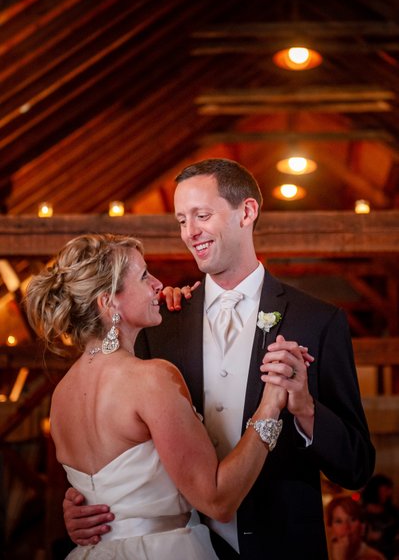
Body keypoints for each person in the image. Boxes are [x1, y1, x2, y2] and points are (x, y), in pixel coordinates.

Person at [63, 159, 375, 559]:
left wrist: (306, 409)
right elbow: (121, 439)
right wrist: (86, 502)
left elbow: (357, 468)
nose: (189, 233)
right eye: (180, 220)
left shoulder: (318, 320)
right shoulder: (159, 325)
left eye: (202, 215)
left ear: (246, 212)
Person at [25, 232, 296, 559]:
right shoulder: (150, 379)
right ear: (109, 302)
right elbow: (218, 501)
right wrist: (270, 404)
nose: (158, 284)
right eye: (143, 276)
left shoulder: (61, 396)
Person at [326, 495, 386, 560]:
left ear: (362, 527)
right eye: (339, 521)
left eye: (352, 520)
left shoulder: (373, 557)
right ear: (330, 528)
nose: (346, 527)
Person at [361, 474, 399, 559]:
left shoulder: (394, 513)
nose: (389, 493)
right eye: (385, 490)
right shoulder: (360, 513)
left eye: (389, 490)